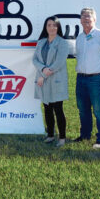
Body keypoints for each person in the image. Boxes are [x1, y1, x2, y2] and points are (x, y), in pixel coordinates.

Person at [73, 7, 100, 149]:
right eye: (84, 16)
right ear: (80, 20)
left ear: (94, 19)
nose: (86, 19)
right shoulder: (79, 38)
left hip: (96, 79)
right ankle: (85, 134)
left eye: (89, 16)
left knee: (98, 110)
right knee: (82, 109)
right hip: (81, 79)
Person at [32, 16, 72, 147]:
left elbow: (59, 63)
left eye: (55, 25)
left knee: (58, 109)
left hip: (55, 80)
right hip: (42, 79)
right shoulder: (41, 42)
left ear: (58, 27)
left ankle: (62, 138)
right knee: (47, 109)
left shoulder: (62, 43)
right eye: (49, 25)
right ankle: (50, 135)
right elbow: (35, 60)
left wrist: (43, 75)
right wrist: (43, 69)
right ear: (45, 27)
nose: (52, 27)